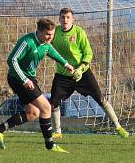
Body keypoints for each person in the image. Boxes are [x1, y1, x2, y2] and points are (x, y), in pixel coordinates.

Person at [0, 18, 75, 153]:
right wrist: (24, 79)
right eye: (48, 34)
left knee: (33, 113)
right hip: (18, 78)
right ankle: (50, 145)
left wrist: (66, 64)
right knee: (46, 107)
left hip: (28, 78)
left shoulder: (46, 43)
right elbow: (11, 60)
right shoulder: (27, 42)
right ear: (39, 31)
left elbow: (52, 52)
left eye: (52, 34)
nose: (50, 37)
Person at [50, 8, 128, 139]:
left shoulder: (79, 32)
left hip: (83, 74)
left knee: (100, 99)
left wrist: (80, 68)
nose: (65, 20)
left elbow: (88, 53)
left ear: (72, 19)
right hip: (63, 75)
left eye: (68, 17)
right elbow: (46, 44)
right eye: (63, 17)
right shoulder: (55, 32)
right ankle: (57, 132)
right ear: (59, 19)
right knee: (53, 102)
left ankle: (118, 126)